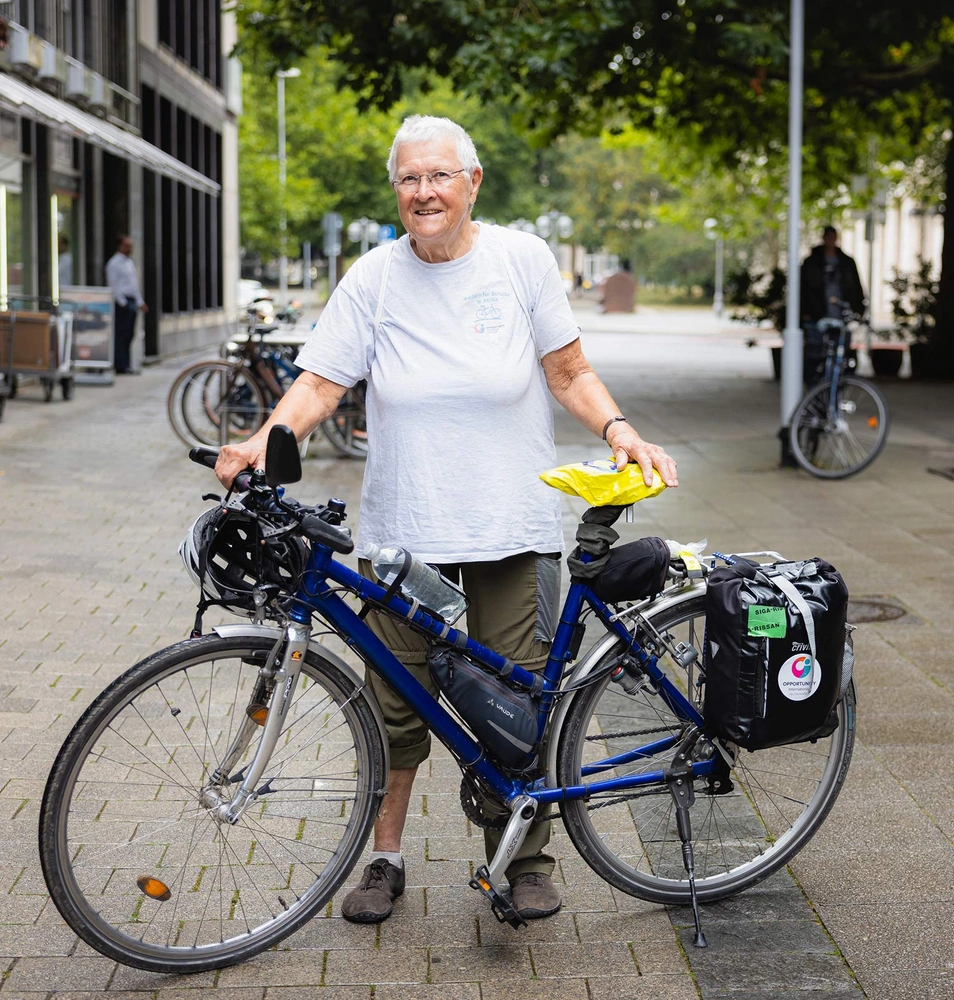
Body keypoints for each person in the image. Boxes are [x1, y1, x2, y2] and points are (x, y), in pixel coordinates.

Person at [214, 115, 678, 927]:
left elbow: (568, 371)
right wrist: (263, 439)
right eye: (407, 179)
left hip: (510, 526)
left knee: (516, 699)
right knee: (394, 709)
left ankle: (522, 860)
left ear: (472, 183)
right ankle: (385, 860)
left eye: (438, 176)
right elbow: (321, 384)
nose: (423, 192)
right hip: (406, 534)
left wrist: (618, 429)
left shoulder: (520, 261)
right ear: (395, 189)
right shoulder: (374, 279)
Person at [800, 226, 865, 384]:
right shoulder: (812, 261)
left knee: (841, 350)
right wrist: (805, 311)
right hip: (818, 314)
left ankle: (837, 384)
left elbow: (856, 286)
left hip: (840, 313)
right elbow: (803, 287)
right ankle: (816, 384)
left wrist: (859, 309)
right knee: (817, 351)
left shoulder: (846, 262)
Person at [105, 234, 147, 374]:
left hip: (132, 301)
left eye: (131, 246)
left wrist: (139, 302)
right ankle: (120, 365)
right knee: (121, 334)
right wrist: (122, 303)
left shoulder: (129, 262)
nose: (130, 249)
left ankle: (127, 364)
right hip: (122, 302)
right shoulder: (114, 263)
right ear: (120, 246)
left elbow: (133, 285)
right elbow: (113, 285)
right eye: (127, 245)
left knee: (129, 335)